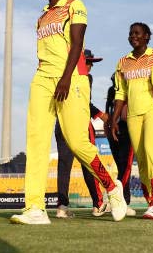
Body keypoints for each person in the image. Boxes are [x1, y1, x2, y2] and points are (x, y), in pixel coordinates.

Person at [10, 0, 127, 225]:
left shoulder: (75, 5)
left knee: (77, 142)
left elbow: (76, 44)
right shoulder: (42, 17)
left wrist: (64, 78)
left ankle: (112, 187)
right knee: (36, 141)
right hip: (42, 78)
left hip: (71, 78)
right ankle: (35, 208)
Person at [110, 23, 153, 220]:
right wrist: (114, 120)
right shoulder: (123, 62)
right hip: (133, 115)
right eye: (131, 33)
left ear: (147, 36)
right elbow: (120, 93)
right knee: (143, 160)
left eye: (137, 33)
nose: (133, 36)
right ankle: (151, 202)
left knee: (151, 151)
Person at [54, 49, 110, 218]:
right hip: (80, 124)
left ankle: (61, 207)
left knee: (64, 166)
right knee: (88, 162)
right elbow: (85, 103)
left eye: (91, 62)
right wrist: (101, 115)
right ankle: (98, 204)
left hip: (62, 123)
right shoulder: (85, 78)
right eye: (88, 62)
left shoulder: (61, 75)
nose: (91, 66)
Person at [105, 75, 136, 217]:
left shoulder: (120, 91)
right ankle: (123, 201)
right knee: (124, 168)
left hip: (121, 130)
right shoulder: (114, 91)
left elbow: (112, 114)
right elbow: (110, 114)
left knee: (124, 168)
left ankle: (123, 201)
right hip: (118, 131)